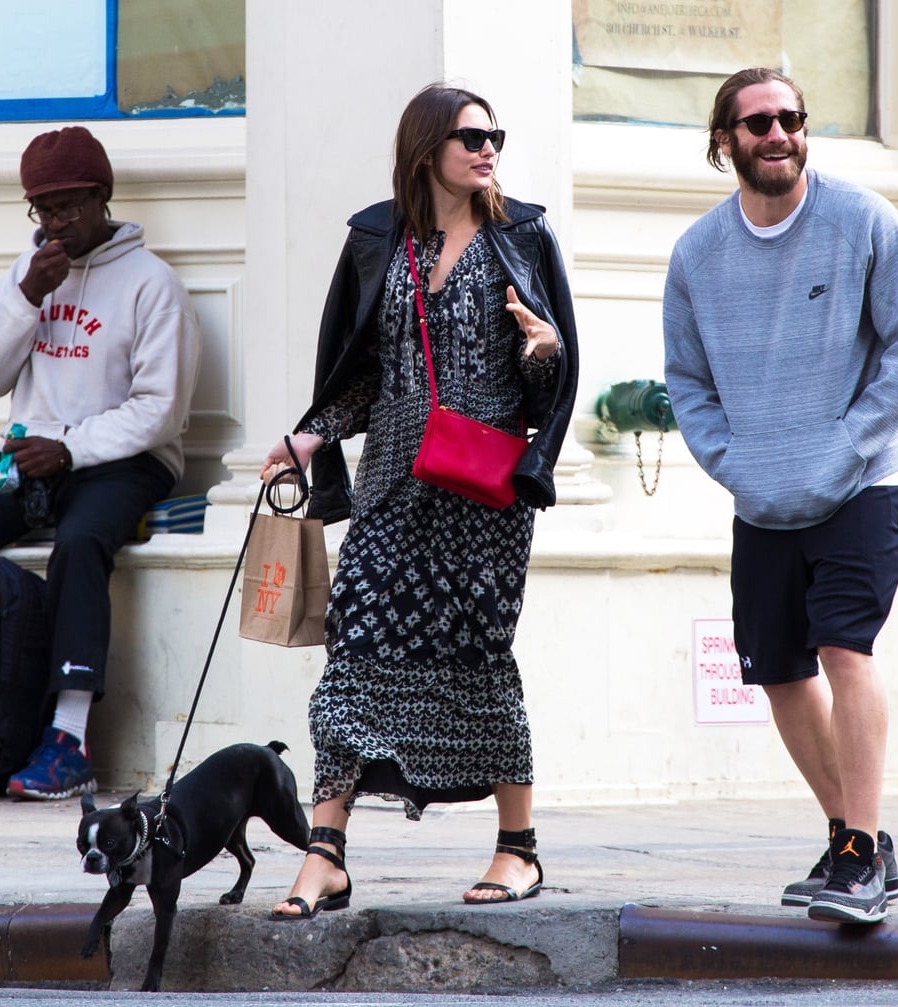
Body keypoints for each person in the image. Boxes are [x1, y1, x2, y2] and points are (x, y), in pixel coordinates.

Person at [260, 82, 578, 916]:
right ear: (426, 147)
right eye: (470, 137)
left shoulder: (523, 235)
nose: (487, 148)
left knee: (478, 660)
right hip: (392, 485)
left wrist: (544, 350)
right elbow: (357, 369)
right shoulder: (377, 240)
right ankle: (325, 851)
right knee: (353, 656)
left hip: (485, 493)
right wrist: (313, 434)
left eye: (494, 136)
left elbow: (547, 385)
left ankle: (519, 848)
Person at [662, 68, 898, 924]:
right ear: (725, 143)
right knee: (779, 671)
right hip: (761, 499)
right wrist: (736, 465)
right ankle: (855, 840)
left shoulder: (863, 221)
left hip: (859, 485)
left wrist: (842, 448)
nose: (776, 133)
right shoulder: (697, 255)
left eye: (789, 118)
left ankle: (857, 849)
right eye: (756, 123)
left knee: (843, 649)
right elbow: (688, 382)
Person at [0, 126, 201, 800]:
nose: (55, 224)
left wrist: (73, 447)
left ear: (101, 197)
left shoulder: (151, 283)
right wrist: (25, 297)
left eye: (68, 208)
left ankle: (69, 740)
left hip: (124, 458)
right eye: (43, 210)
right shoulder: (28, 274)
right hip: (33, 451)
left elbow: (161, 409)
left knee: (80, 543)